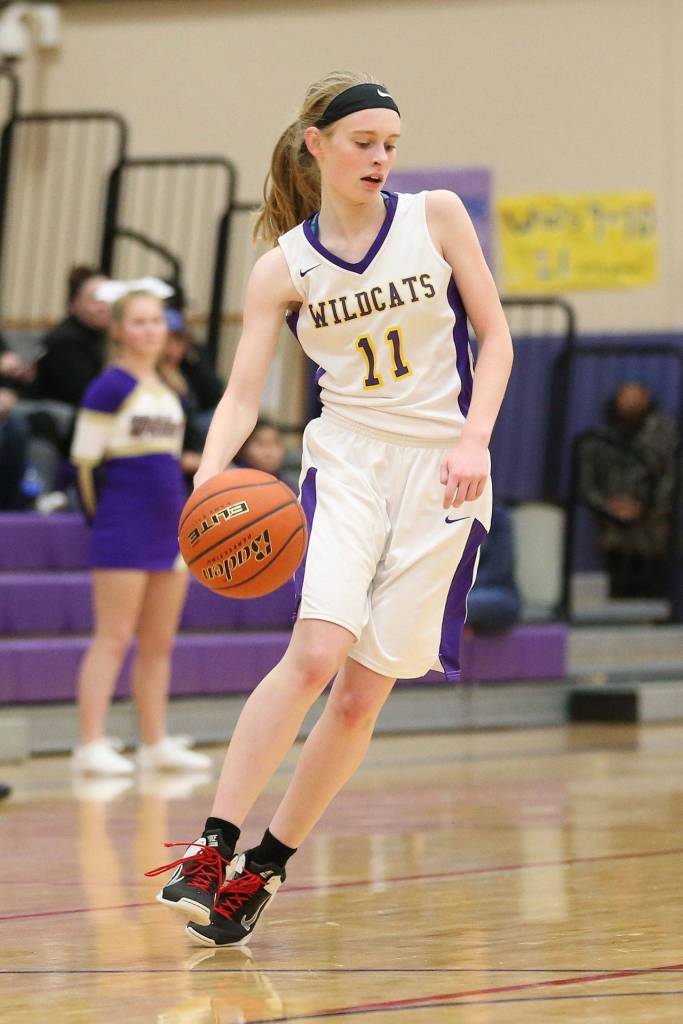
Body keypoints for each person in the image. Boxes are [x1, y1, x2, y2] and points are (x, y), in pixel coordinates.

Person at [146, 71, 512, 947]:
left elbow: (494, 336)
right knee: (313, 652)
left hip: (443, 473)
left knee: (359, 698)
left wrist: (473, 440)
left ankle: (263, 869)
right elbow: (239, 395)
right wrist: (210, 472)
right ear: (316, 143)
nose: (380, 158)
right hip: (346, 457)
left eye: (390, 143)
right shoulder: (284, 266)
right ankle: (212, 845)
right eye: (363, 142)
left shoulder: (437, 219)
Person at [70, 285, 211, 776]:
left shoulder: (171, 386)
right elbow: (84, 465)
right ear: (118, 331)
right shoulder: (109, 387)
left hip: (169, 530)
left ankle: (154, 743)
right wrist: (101, 522)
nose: (151, 331)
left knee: (159, 643)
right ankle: (91, 744)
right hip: (122, 527)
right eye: (139, 322)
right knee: (112, 638)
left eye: (157, 322)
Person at [578, 381, 680, 599]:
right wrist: (611, 508)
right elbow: (587, 486)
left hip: (654, 522)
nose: (630, 404)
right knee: (617, 555)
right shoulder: (598, 440)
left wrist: (645, 509)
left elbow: (671, 480)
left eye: (636, 399)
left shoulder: (667, 436)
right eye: (625, 399)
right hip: (612, 522)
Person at [33, 265, 111, 409]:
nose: (104, 306)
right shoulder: (64, 341)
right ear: (73, 304)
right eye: (95, 300)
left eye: (109, 298)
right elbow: (85, 396)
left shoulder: (107, 335)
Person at [466, 502, 521, 633]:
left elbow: (499, 569)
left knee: (457, 605)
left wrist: (459, 589)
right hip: (450, 594)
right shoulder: (443, 517)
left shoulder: (497, 517)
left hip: (496, 592)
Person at [233, 417, 298, 491]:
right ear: (243, 447)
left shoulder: (288, 487)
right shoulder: (233, 482)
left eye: (276, 443)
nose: (269, 451)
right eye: (261, 443)